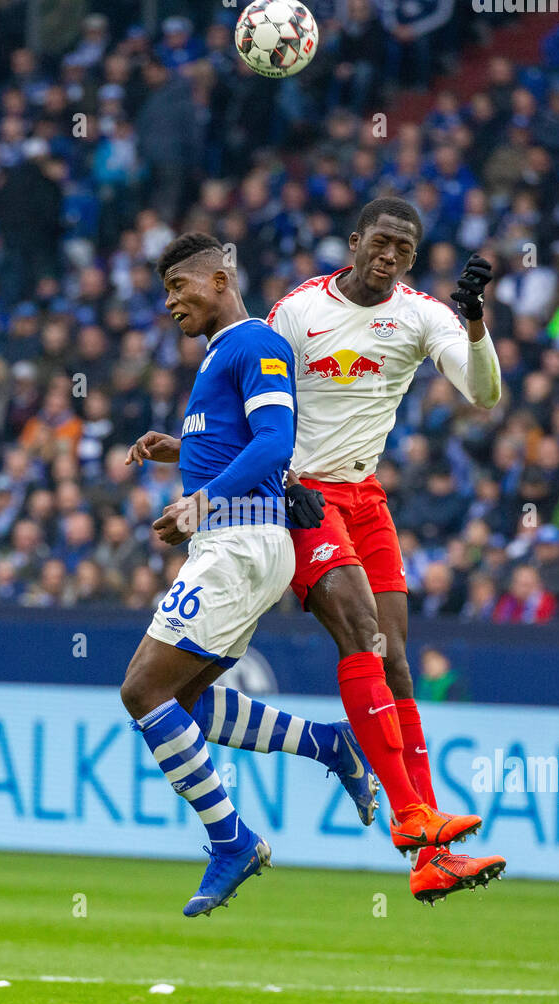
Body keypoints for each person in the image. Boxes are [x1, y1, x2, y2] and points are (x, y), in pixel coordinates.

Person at [129, 199, 506, 903]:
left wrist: (477, 322)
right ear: (355, 242)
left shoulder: (422, 315)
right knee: (360, 636)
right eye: (381, 242)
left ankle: (430, 850)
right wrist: (218, 463)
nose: (390, 255)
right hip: (301, 495)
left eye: (405, 247)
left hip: (363, 496)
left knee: (393, 657)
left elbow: (484, 393)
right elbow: (259, 409)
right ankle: (408, 813)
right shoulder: (296, 314)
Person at [119, 232, 380, 917]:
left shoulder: (255, 342)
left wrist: (198, 501)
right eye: (166, 291)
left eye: (180, 286)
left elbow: (274, 443)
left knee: (142, 690)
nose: (171, 301)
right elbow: (239, 442)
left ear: (220, 277)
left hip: (238, 542)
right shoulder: (220, 355)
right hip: (237, 542)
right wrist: (179, 451)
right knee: (189, 704)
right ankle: (332, 743)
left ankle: (231, 838)